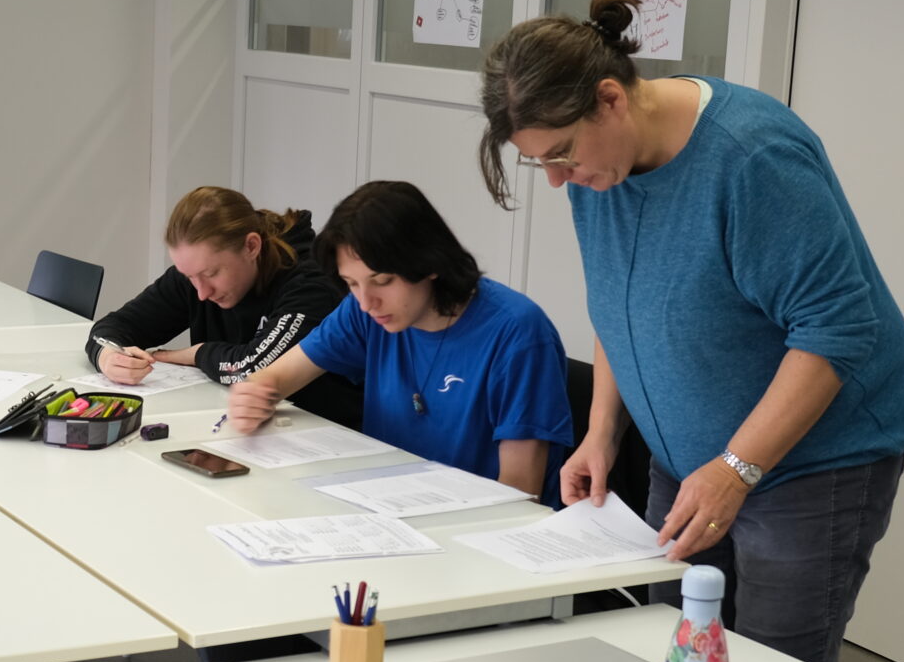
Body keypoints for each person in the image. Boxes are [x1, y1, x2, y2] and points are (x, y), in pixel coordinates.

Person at [476, 0, 904, 662]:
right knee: (682, 659)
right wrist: (602, 431)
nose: (561, 181)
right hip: (687, 460)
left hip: (808, 467)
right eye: (542, 164)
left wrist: (736, 468)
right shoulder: (602, 170)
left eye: (562, 154)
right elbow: (618, 304)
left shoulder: (752, 157)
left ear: (610, 99)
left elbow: (837, 328)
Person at [222, 180, 573, 502]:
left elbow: (519, 494)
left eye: (382, 281)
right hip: (388, 506)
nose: (366, 302)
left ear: (430, 262)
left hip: (477, 524)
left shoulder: (517, 333)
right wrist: (254, 395)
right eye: (351, 283)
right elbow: (275, 378)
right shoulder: (366, 312)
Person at [87, 186, 359, 428]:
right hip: (243, 430)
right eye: (190, 277)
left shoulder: (310, 282)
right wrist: (108, 356)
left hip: (325, 434)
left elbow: (256, 368)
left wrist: (197, 354)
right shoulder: (196, 275)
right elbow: (114, 326)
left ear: (251, 247)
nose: (202, 292)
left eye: (212, 273)